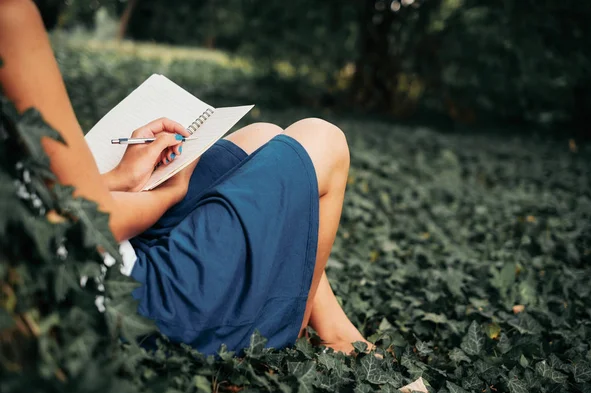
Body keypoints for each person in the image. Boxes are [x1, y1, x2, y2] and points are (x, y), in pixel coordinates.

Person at [0, 0, 373, 355]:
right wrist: (168, 193)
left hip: (95, 257)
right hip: (137, 301)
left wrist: (119, 176)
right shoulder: (10, 17)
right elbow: (89, 220)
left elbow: (40, 200)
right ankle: (292, 328)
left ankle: (334, 328)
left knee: (264, 136)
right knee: (325, 140)